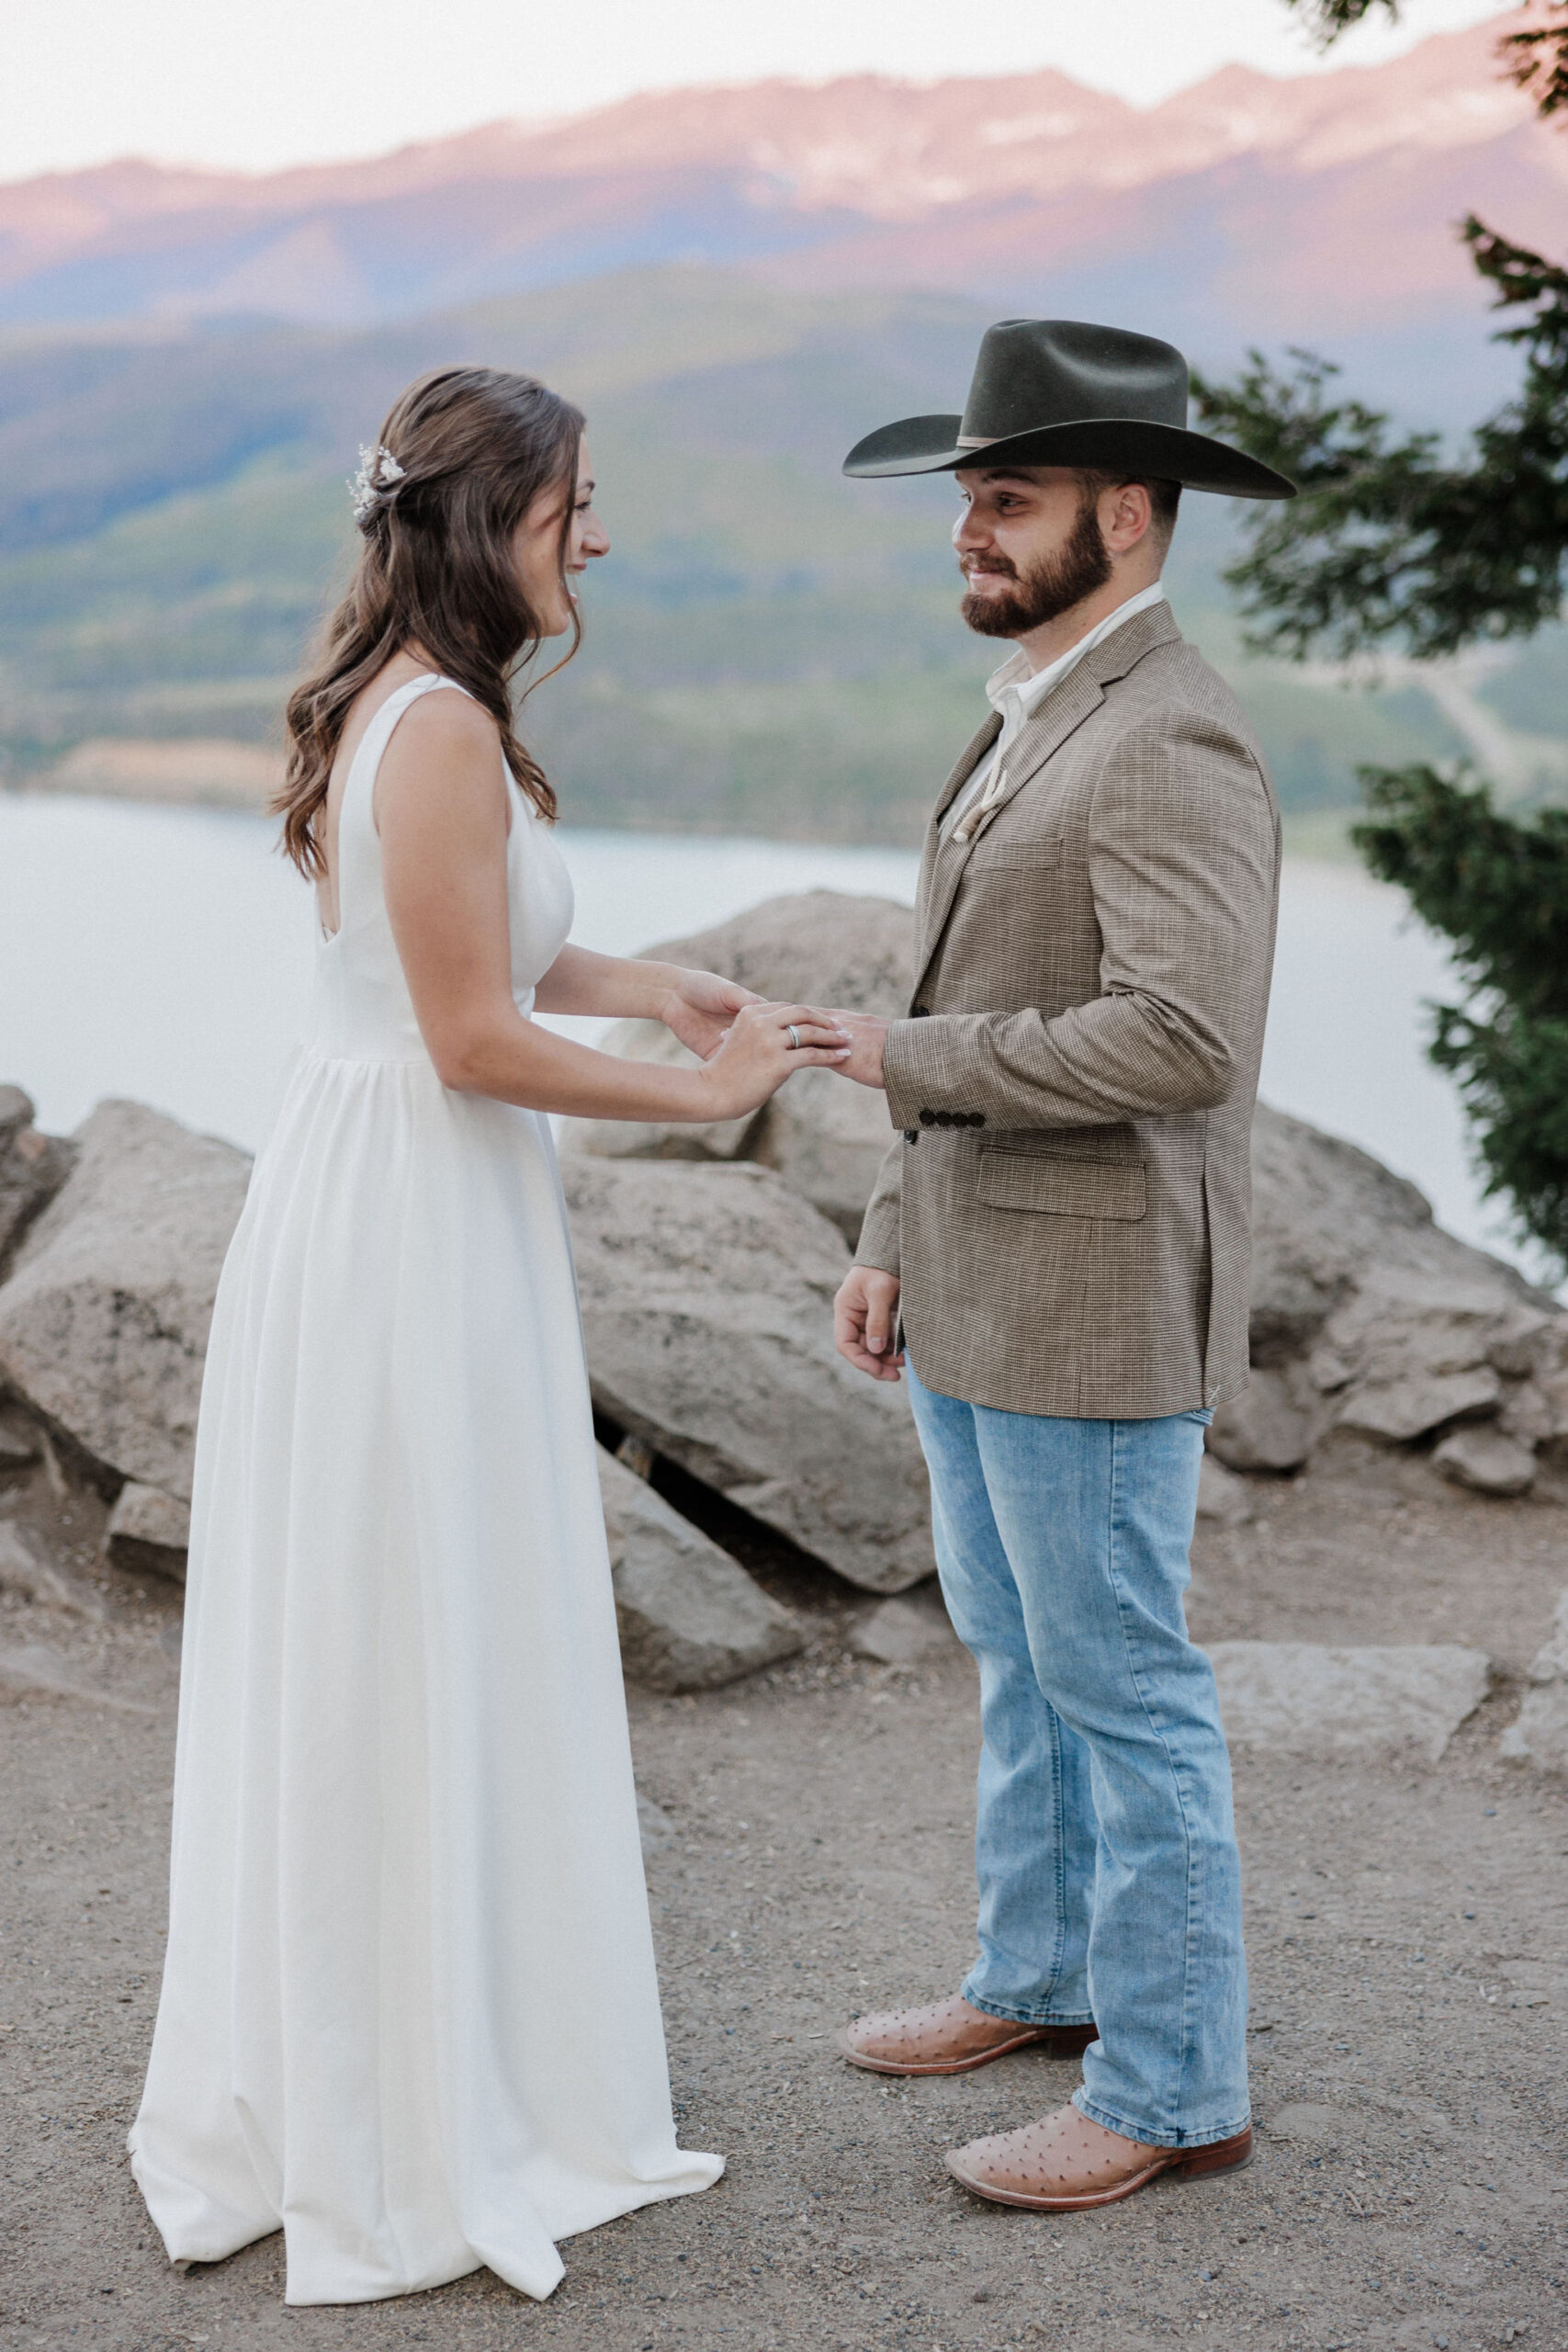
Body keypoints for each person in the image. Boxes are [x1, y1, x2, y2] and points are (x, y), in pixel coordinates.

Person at [128, 365, 851, 2305]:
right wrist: (704, 1097)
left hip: (398, 1197)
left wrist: (650, 979)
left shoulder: (417, 711)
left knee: (404, 1625)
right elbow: (462, 1035)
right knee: (414, 1625)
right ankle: (420, 2114)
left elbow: (480, 956)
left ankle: (396, 2067)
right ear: (483, 522)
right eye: (570, 505)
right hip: (408, 1215)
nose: (593, 534)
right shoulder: (437, 727)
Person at [826, 319, 1294, 2212]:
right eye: (962, 497)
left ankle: (1174, 2086)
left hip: (1098, 1293)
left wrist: (900, 1067)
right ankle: (1035, 1982)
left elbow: (1182, 1035)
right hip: (974, 1270)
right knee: (1018, 1660)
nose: (968, 529)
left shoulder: (1169, 726)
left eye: (1002, 499)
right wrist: (885, 1224)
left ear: (1124, 509)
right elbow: (977, 982)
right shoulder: (1038, 700)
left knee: (1121, 1683)